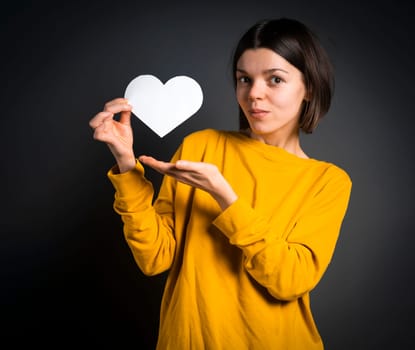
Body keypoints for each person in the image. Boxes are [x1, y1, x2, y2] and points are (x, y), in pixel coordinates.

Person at [89, 17, 352, 350]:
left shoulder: (327, 181)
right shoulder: (201, 146)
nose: (254, 93)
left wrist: (224, 194)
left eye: (275, 79)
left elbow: (289, 281)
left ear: (310, 87)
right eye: (245, 79)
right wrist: (126, 164)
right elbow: (155, 258)